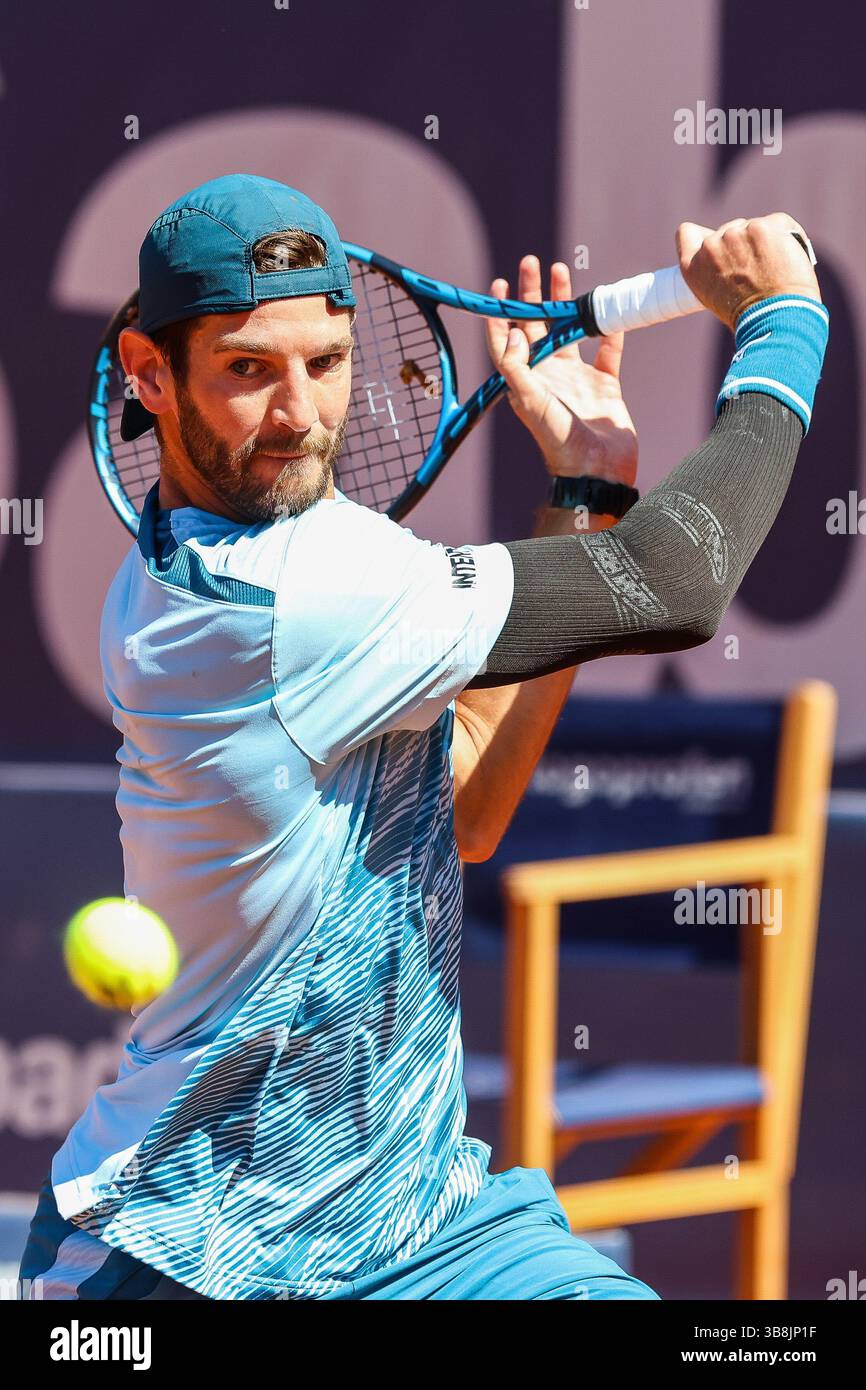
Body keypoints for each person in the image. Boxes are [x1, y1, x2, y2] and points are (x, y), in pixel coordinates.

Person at [19, 175, 826, 1300]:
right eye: (248, 369)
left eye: (325, 362)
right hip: (196, 1245)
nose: (299, 413)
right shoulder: (288, 594)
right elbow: (675, 582)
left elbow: (465, 807)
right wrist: (783, 324)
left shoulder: (255, 553)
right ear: (149, 376)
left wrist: (585, 484)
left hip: (423, 1225)